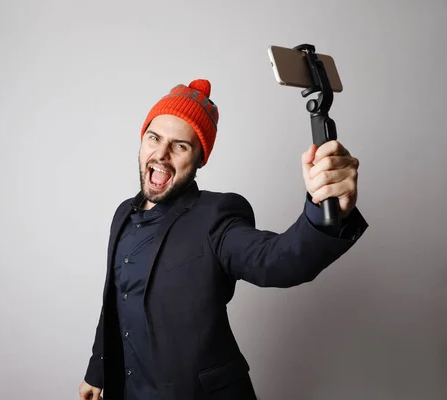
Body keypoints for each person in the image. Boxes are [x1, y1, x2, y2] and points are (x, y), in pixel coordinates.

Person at [78, 79, 368, 400]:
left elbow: (278, 261)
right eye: (154, 138)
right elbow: (115, 303)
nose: (161, 154)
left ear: (200, 158)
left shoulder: (216, 216)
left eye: (180, 145)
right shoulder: (123, 215)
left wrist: (324, 210)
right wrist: (97, 371)